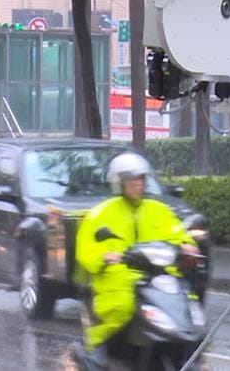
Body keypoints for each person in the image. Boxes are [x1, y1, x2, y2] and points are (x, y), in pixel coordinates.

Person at [73, 152, 199, 369]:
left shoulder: (160, 210)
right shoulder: (101, 213)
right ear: (119, 182)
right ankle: (93, 346)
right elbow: (86, 247)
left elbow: (178, 234)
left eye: (141, 179)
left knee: (187, 304)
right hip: (117, 278)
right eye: (132, 180)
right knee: (123, 305)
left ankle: (183, 355)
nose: (138, 184)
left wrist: (187, 246)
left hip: (158, 276)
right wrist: (105, 257)